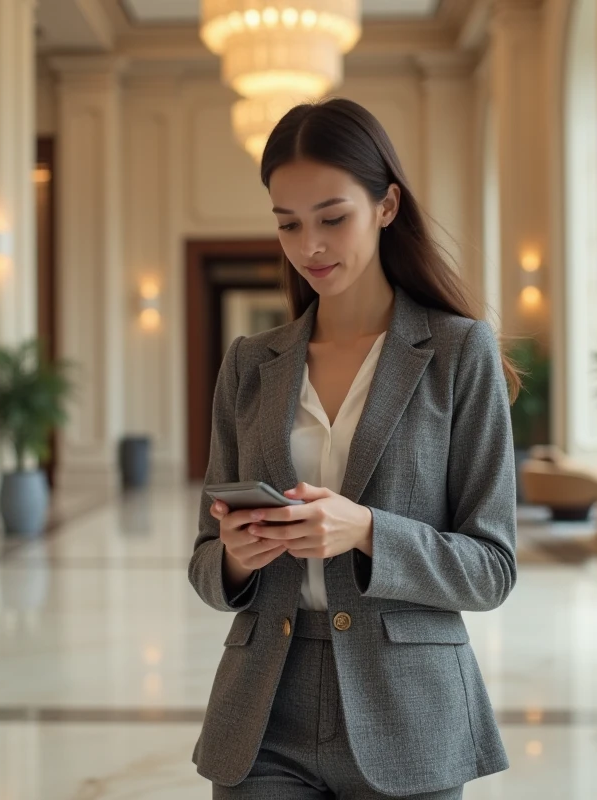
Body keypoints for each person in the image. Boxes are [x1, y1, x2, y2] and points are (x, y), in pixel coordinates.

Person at [187, 97, 521, 799]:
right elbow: (204, 560)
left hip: (409, 710)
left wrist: (366, 531)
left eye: (332, 218)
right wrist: (236, 561)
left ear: (388, 206)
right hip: (262, 714)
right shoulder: (250, 363)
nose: (310, 245)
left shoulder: (460, 352)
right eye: (288, 223)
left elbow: (491, 569)